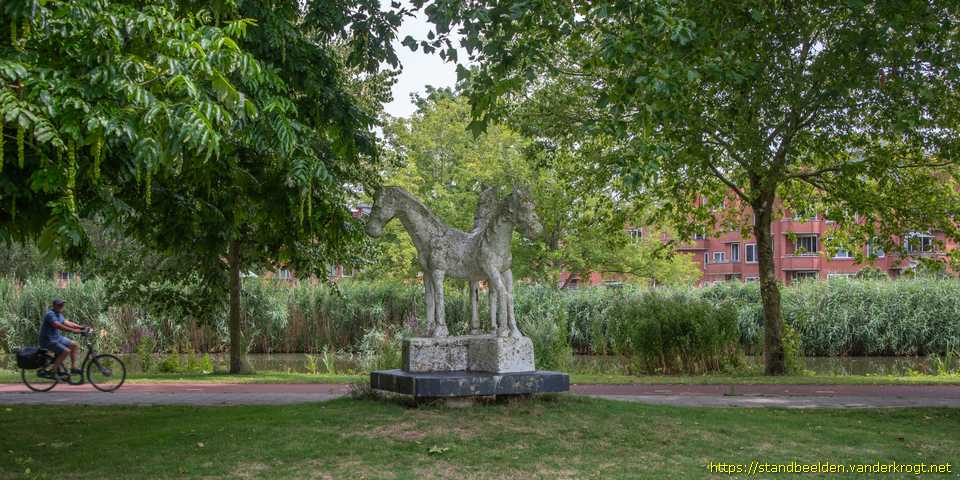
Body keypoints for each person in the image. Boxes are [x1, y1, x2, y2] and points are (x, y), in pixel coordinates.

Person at [39, 299, 86, 380]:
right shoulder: (50, 314)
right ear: (54, 306)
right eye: (59, 305)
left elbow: (68, 323)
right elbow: (58, 325)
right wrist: (73, 331)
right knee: (66, 351)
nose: (61, 306)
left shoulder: (59, 314)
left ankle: (73, 368)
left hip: (57, 338)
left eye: (62, 305)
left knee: (74, 345)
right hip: (48, 340)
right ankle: (52, 371)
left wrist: (81, 327)